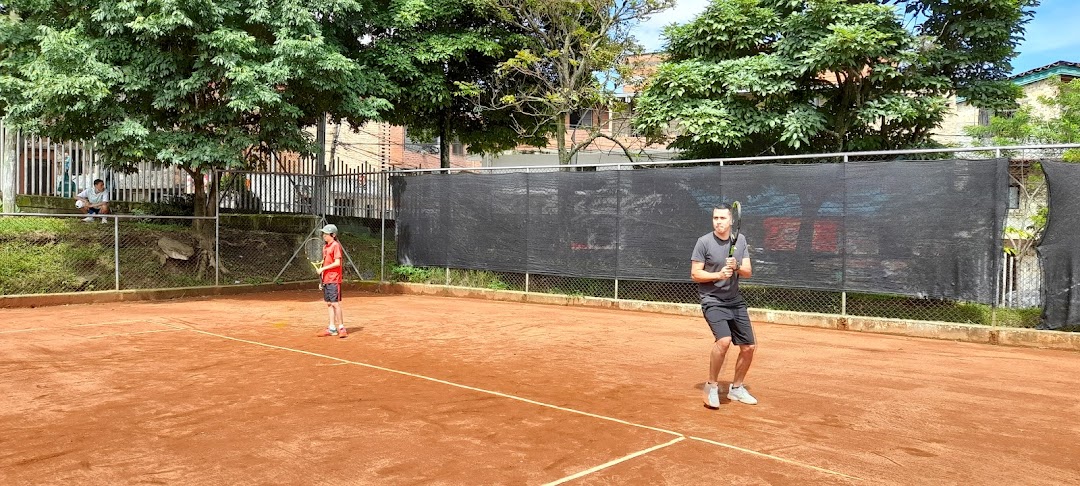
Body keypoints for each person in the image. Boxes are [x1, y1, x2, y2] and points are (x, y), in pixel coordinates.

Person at [691, 203, 757, 409]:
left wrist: (736, 266)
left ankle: (736, 388)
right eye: (715, 218)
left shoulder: (740, 240)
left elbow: (748, 271)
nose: (718, 222)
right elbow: (695, 274)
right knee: (724, 341)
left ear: (731, 221)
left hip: (734, 300)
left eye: (722, 218)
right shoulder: (703, 242)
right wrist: (718, 275)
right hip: (712, 299)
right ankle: (711, 386)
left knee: (749, 347)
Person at [316, 224, 347, 338]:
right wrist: (322, 280)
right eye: (323, 233)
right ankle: (332, 328)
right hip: (326, 279)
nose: (324, 236)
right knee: (329, 304)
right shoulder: (325, 247)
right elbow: (325, 262)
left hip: (334, 279)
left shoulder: (335, 245)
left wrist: (323, 269)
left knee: (335, 303)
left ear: (333, 235)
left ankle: (342, 327)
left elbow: (337, 263)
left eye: (326, 234)